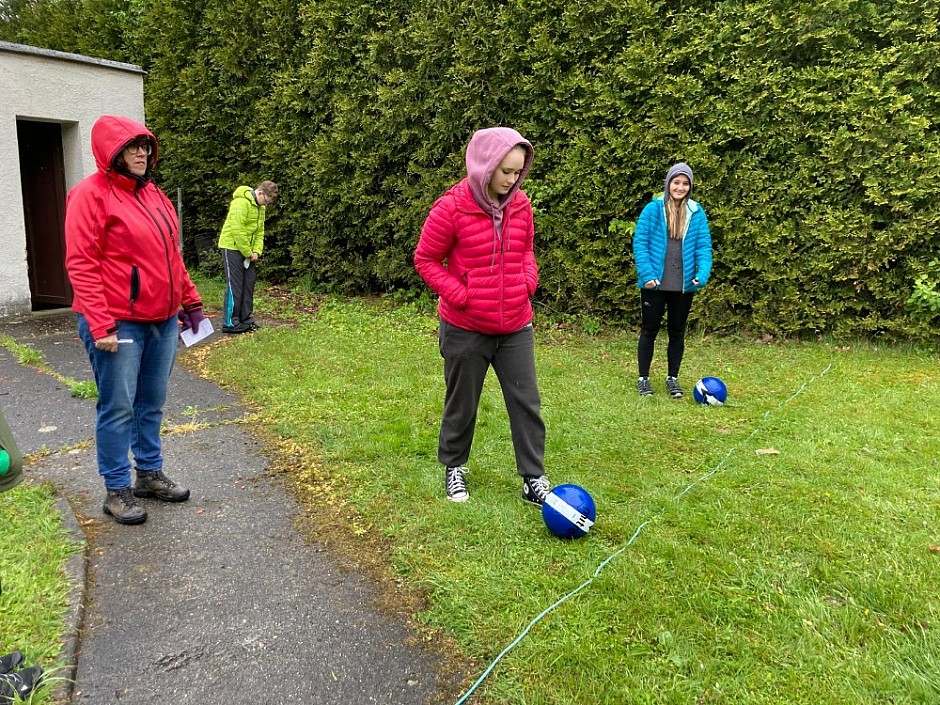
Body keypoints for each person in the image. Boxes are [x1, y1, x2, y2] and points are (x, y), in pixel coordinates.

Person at [65, 114, 204, 525]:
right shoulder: (89, 195)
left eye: (145, 145)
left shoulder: (154, 195)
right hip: (118, 324)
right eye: (132, 146)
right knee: (118, 408)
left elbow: (171, 257)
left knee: (152, 404)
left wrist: (191, 303)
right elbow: (81, 262)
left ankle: (148, 474)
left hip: (162, 322)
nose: (142, 152)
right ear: (113, 153)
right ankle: (116, 488)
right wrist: (100, 323)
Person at [414, 127, 551, 506]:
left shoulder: (521, 205)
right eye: (505, 171)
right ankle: (454, 467)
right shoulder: (451, 207)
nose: (512, 180)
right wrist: (462, 295)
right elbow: (425, 259)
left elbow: (526, 251)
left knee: (527, 403)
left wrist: (528, 281)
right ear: (484, 164)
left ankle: (533, 478)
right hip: (465, 327)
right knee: (462, 403)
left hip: (515, 325)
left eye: (518, 172)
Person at [632, 162, 713, 398]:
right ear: (668, 184)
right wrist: (646, 275)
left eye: (685, 183)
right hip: (654, 285)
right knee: (649, 330)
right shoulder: (653, 209)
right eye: (676, 182)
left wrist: (702, 273)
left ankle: (672, 379)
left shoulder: (696, 213)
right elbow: (641, 243)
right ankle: (643, 379)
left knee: (677, 332)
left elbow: (704, 247)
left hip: (683, 286)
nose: (680, 187)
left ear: (690, 186)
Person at [218, 180, 278, 333]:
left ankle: (246, 319)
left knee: (248, 283)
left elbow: (259, 231)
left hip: (248, 251)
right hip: (231, 247)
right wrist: (247, 252)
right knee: (235, 286)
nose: (266, 205)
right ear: (260, 193)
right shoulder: (240, 203)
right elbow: (238, 230)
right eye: (266, 200)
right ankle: (230, 322)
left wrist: (256, 251)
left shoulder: (260, 208)